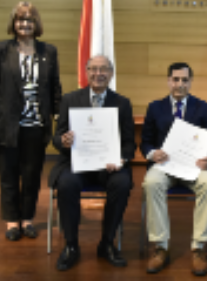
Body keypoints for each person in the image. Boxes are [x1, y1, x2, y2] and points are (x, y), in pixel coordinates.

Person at [0, 1, 62, 241]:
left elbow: (55, 89)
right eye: (20, 20)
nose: (25, 24)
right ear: (13, 24)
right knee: (8, 174)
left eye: (29, 20)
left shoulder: (49, 52)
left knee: (32, 175)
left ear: (36, 24)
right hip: (6, 126)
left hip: (37, 126)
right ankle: (12, 221)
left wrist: (60, 119)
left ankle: (28, 219)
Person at [48, 55, 135, 271]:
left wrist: (121, 159)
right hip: (76, 163)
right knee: (67, 184)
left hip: (109, 167)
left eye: (104, 69)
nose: (99, 73)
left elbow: (129, 143)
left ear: (111, 73)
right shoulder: (69, 100)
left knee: (122, 183)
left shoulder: (123, 104)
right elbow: (56, 138)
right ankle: (71, 245)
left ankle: (106, 244)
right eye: (94, 69)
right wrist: (64, 141)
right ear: (86, 72)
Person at [140, 62, 207, 276]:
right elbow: (145, 142)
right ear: (168, 81)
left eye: (185, 80)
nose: (180, 84)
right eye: (175, 79)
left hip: (193, 167)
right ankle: (160, 246)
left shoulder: (203, 107)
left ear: (190, 82)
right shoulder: (154, 107)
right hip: (164, 166)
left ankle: (199, 247)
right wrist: (152, 153)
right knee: (151, 182)